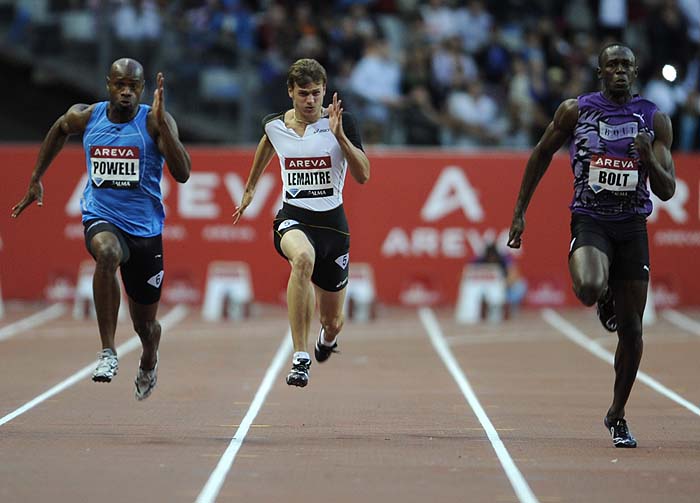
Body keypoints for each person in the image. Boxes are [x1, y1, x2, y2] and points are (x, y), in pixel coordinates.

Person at [508, 43, 676, 448]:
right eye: (612, 65)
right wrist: (519, 212)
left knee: (633, 333)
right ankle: (603, 295)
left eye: (626, 65)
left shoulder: (654, 119)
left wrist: (648, 159)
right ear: (600, 71)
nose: (619, 71)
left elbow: (667, 190)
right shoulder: (576, 110)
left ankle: (617, 414)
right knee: (586, 287)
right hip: (591, 218)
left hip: (632, 226)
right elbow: (541, 153)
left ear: (635, 73)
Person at [11, 58, 191, 400]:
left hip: (145, 231)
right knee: (106, 253)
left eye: (133, 87)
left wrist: (165, 127)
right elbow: (60, 128)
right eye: (119, 85)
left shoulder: (155, 121)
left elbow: (183, 173)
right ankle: (108, 352)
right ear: (108, 83)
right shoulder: (87, 115)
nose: (126, 92)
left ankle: (149, 357)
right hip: (102, 216)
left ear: (142, 89)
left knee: (146, 326)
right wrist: (36, 177)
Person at [233, 58, 370, 387]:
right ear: (291, 92)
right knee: (303, 258)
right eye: (304, 93)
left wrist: (341, 138)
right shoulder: (274, 125)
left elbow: (363, 175)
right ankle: (299, 355)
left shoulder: (342, 122)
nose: (311, 100)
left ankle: (325, 341)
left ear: (325, 92)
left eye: (317, 93)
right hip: (293, 219)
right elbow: (267, 144)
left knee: (333, 320)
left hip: (334, 230)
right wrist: (250, 187)